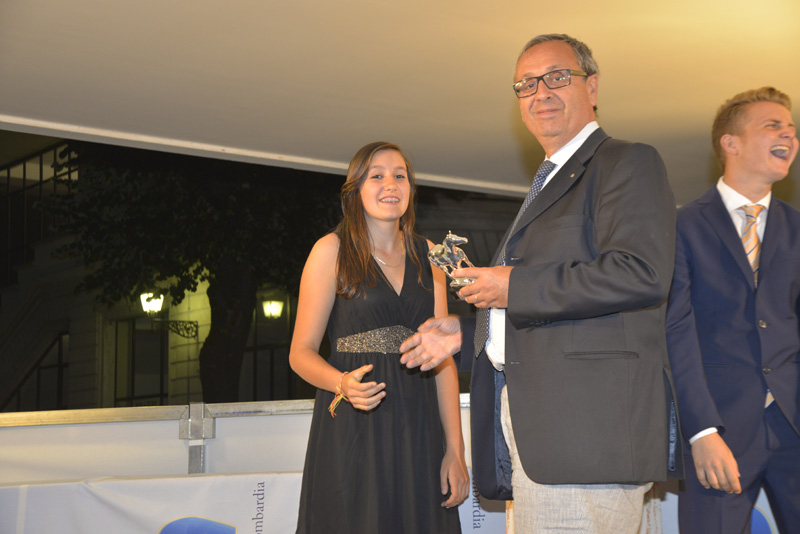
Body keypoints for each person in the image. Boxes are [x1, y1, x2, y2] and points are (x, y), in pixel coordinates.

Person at [400, 33, 682, 533]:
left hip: (585, 438)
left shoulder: (625, 162)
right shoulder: (549, 180)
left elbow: (641, 272)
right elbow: (546, 310)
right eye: (526, 84)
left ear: (591, 87)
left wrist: (514, 286)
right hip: (539, 435)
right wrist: (466, 334)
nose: (540, 92)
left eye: (556, 77)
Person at [289, 141, 468, 534]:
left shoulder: (432, 254)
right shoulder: (330, 251)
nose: (391, 184)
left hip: (420, 427)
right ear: (355, 190)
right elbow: (300, 353)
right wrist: (341, 383)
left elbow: (443, 360)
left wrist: (455, 450)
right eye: (377, 175)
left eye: (400, 175)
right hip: (356, 426)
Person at [665, 87, 800, 533]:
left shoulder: (798, 228)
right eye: (773, 126)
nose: (789, 135)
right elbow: (675, 332)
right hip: (718, 432)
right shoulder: (681, 226)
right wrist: (701, 431)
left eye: (791, 129)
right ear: (731, 142)